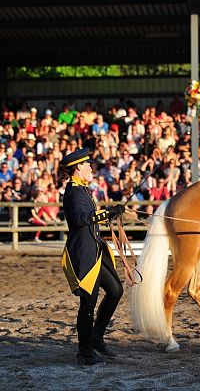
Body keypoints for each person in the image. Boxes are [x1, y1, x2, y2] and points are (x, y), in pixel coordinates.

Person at [58, 148, 125, 366]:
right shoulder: (74, 192)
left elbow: (89, 217)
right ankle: (84, 351)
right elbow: (79, 218)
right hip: (84, 254)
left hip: (95, 250)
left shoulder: (83, 190)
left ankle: (96, 337)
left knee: (115, 290)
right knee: (88, 302)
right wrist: (106, 213)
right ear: (78, 168)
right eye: (87, 165)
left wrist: (108, 214)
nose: (91, 168)